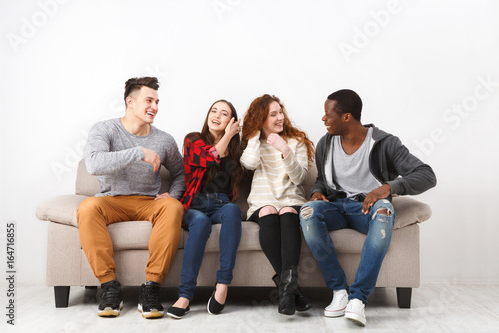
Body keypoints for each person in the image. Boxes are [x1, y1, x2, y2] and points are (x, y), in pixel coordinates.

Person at [299, 89, 437, 326]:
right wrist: (317, 192)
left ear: (346, 117)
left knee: (384, 211)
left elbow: (427, 175)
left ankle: (358, 298)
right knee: (308, 211)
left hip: (368, 211)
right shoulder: (326, 143)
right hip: (336, 207)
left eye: (327, 114)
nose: (323, 119)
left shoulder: (385, 143)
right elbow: (322, 179)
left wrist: (388, 188)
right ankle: (339, 291)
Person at [76, 77, 185, 319]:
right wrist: (138, 152)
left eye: (157, 102)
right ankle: (109, 287)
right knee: (87, 208)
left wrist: (173, 194)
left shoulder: (164, 139)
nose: (155, 107)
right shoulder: (105, 129)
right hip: (111, 201)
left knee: (173, 206)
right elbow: (93, 164)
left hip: (149, 203)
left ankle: (151, 288)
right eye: (149, 100)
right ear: (130, 101)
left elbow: (180, 173)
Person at [166, 100, 244, 319]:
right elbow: (209, 157)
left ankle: (222, 284)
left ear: (232, 121)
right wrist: (228, 136)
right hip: (195, 203)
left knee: (233, 211)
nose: (216, 115)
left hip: (220, 202)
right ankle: (185, 296)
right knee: (200, 223)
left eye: (224, 113)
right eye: (213, 110)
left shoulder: (237, 150)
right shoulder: (192, 139)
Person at [240, 94, 314, 315]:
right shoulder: (253, 145)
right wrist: (255, 137)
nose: (280, 117)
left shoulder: (296, 141)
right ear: (261, 118)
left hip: (292, 200)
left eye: (280, 112)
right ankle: (291, 291)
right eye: (273, 114)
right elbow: (249, 164)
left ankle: (287, 291)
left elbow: (300, 178)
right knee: (270, 210)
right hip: (262, 203)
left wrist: (285, 150)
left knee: (288, 210)